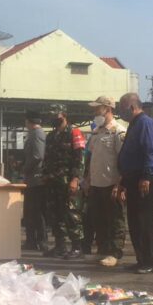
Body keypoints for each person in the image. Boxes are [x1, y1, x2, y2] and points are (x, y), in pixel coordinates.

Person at [117, 93, 153, 274]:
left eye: (122, 108)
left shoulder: (145, 123)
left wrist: (146, 176)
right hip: (132, 178)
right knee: (135, 221)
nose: (121, 112)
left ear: (132, 107)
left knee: (145, 222)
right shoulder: (134, 125)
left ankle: (152, 261)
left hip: (144, 179)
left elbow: (152, 150)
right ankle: (142, 259)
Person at [86, 96, 127, 267]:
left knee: (115, 220)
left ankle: (114, 253)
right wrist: (87, 179)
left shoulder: (118, 131)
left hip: (111, 183)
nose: (95, 112)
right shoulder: (96, 132)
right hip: (96, 183)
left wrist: (120, 185)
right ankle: (102, 250)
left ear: (108, 109)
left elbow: (123, 160)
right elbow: (92, 158)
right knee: (99, 219)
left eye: (98, 108)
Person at [42, 104, 85, 259]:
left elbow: (79, 159)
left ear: (64, 115)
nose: (54, 118)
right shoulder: (51, 136)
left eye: (56, 115)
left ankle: (77, 247)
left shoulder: (74, 133)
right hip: (53, 182)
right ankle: (60, 246)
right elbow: (47, 159)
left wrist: (75, 179)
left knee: (71, 214)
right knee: (55, 215)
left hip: (68, 182)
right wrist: (45, 175)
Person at [22, 110, 48, 253]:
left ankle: (41, 241)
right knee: (30, 212)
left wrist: (25, 168)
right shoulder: (34, 134)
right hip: (32, 178)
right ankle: (31, 241)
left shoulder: (37, 134)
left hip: (36, 178)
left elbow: (38, 155)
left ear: (29, 121)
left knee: (37, 212)